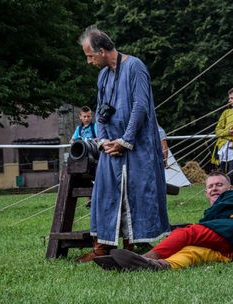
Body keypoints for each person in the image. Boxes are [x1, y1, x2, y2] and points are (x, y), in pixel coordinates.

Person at [75, 26, 170, 263]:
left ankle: (133, 245)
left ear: (103, 50)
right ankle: (102, 248)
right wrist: (105, 139)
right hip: (111, 148)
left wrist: (126, 140)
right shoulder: (103, 76)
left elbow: (140, 106)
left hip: (138, 146)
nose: (89, 61)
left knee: (137, 192)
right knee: (105, 192)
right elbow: (101, 112)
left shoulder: (135, 67)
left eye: (90, 56)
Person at [93, 171, 233, 271]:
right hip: (229, 251)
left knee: (187, 233)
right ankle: (159, 265)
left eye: (219, 185)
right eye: (210, 187)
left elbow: (211, 218)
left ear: (229, 188)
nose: (214, 188)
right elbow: (211, 218)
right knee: (191, 251)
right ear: (206, 193)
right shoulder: (214, 212)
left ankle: (144, 257)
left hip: (232, 234)